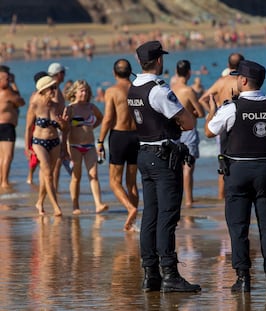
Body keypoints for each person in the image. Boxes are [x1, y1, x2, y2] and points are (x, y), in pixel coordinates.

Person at [204, 60, 266, 292]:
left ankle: (243, 278)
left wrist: (211, 113)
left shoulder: (231, 108)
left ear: (243, 81)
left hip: (238, 172)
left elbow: (209, 131)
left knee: (238, 227)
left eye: (237, 77)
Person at [127, 40, 201, 293]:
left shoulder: (133, 88)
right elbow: (189, 122)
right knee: (167, 217)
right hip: (162, 156)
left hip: (145, 153)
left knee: (150, 216)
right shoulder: (158, 89)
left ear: (139, 62)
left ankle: (150, 274)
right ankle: (169, 274)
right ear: (159, 60)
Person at [97, 59, 139, 231]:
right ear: (130, 72)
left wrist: (100, 141)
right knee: (132, 182)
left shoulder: (112, 91)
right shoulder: (138, 89)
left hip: (119, 136)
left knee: (114, 182)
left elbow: (107, 119)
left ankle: (131, 208)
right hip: (137, 136)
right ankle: (133, 223)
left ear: (114, 73)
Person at [199, 52, 245, 200]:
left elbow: (203, 99)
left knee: (223, 162)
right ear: (243, 65)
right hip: (240, 125)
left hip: (224, 125)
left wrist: (214, 113)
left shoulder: (221, 81)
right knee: (243, 160)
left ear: (228, 65)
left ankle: (221, 197)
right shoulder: (243, 82)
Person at [24, 76, 67, 216]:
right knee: (48, 174)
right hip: (39, 142)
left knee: (47, 175)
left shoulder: (57, 105)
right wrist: (27, 147)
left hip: (54, 141)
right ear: (42, 91)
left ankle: (40, 202)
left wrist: (63, 123)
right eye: (51, 88)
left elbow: (64, 128)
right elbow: (28, 127)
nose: (54, 91)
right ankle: (56, 207)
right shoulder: (35, 105)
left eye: (55, 87)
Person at [65, 80, 108, 214]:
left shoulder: (91, 107)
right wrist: (64, 148)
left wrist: (91, 127)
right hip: (74, 146)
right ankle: (75, 205)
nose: (84, 93)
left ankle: (98, 204)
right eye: (81, 90)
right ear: (75, 92)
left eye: (86, 91)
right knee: (76, 177)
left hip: (89, 146)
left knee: (93, 174)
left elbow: (101, 118)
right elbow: (65, 128)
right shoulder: (70, 108)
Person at [171, 60, 205, 208]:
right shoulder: (188, 91)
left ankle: (177, 198)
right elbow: (201, 112)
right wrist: (193, 113)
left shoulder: (171, 88)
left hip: (174, 131)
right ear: (189, 72)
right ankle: (189, 200)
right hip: (188, 130)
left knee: (176, 166)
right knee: (188, 167)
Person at [0, 65, 25, 189]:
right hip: (6, 127)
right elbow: (21, 101)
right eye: (6, 78)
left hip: (2, 126)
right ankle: (4, 181)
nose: (8, 80)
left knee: (2, 156)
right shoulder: (7, 93)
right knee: (8, 156)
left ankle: (2, 180)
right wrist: (14, 84)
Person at [47, 62, 68, 191]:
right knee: (56, 162)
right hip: (55, 128)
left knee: (56, 161)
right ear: (59, 74)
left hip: (57, 127)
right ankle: (53, 189)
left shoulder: (55, 87)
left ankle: (54, 188)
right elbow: (51, 109)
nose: (64, 75)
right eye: (63, 73)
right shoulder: (53, 88)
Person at [26, 71, 49, 184]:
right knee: (34, 159)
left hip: (46, 130)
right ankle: (30, 176)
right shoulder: (34, 96)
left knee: (44, 160)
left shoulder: (49, 94)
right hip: (36, 128)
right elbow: (30, 120)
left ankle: (41, 179)